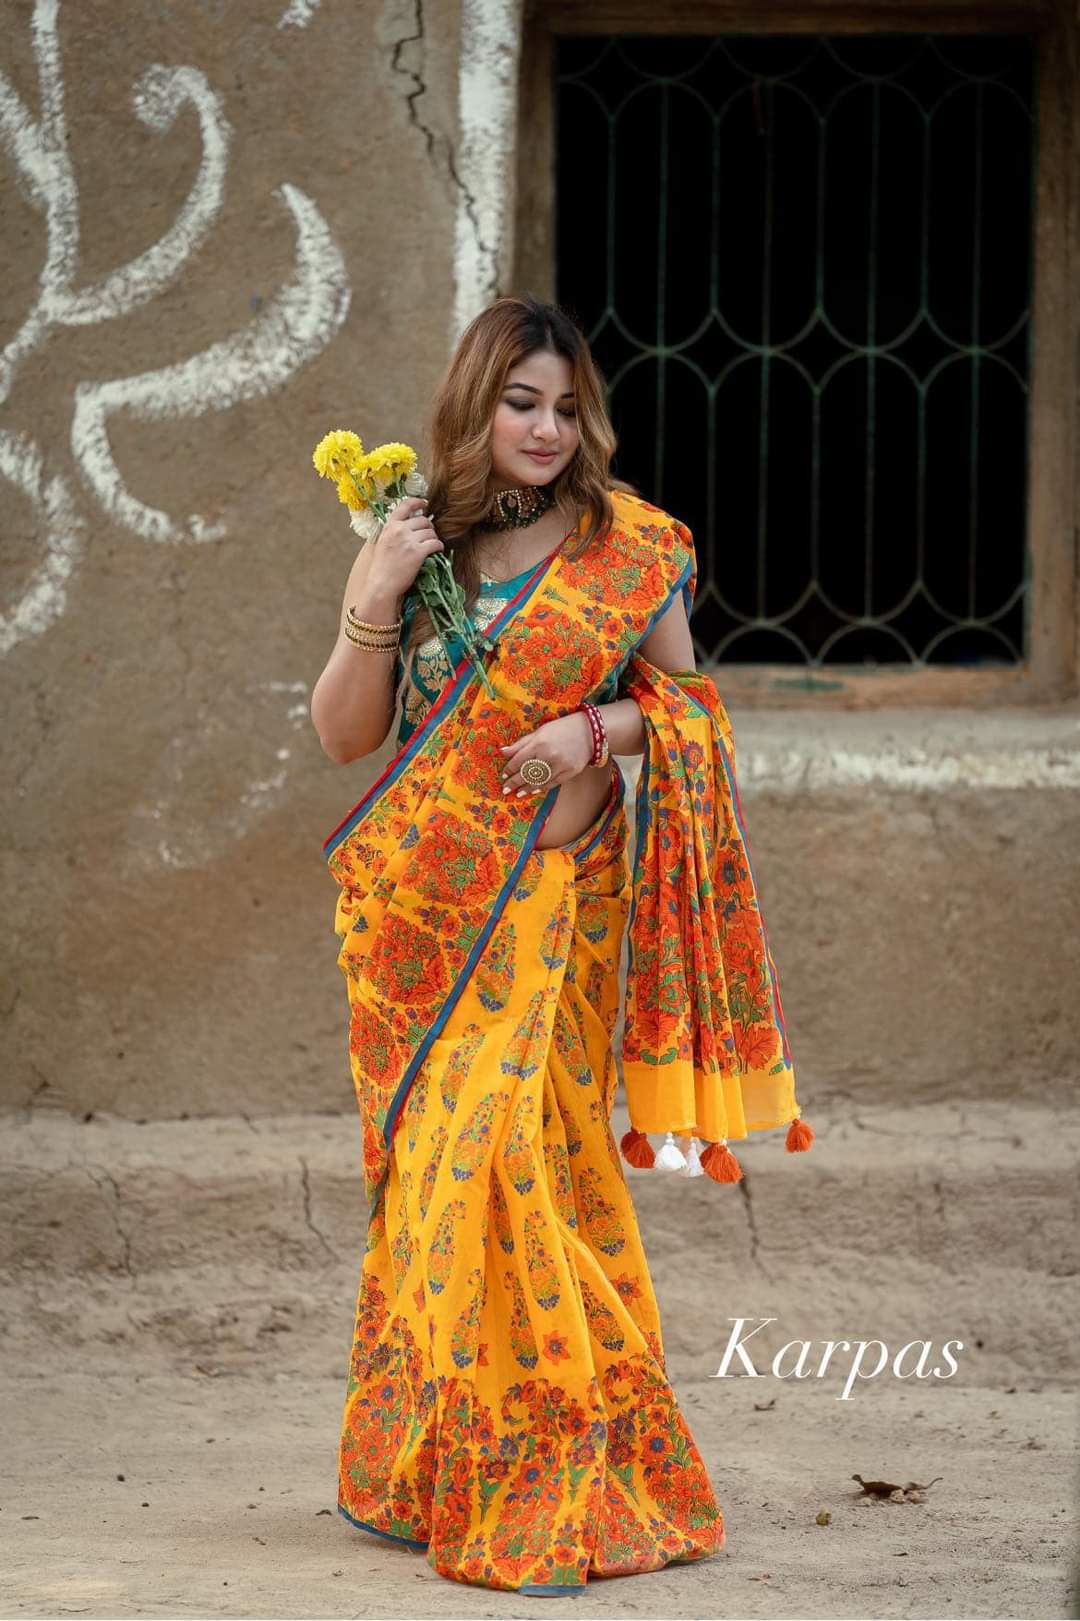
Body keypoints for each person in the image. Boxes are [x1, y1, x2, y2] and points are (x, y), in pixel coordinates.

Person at [309, 294, 813, 1595]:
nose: (545, 428)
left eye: (566, 406)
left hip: (556, 915)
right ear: (473, 406)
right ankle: (438, 1463)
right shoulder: (418, 543)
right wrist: (372, 596)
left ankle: (556, 1469)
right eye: (520, 402)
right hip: (425, 928)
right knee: (443, 1185)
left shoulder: (626, 550)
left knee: (516, 1168)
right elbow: (345, 737)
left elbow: (688, 711)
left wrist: (592, 733)